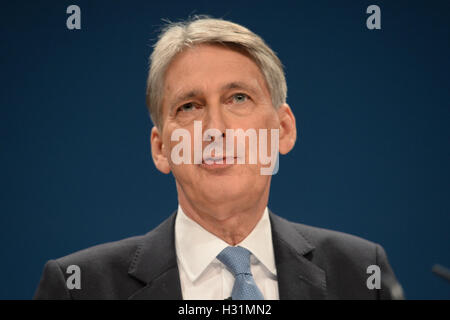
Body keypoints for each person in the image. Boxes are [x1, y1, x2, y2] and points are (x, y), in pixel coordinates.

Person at [34, 17, 403, 300]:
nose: (214, 129)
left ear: (283, 129)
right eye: (189, 106)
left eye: (238, 98)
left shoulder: (360, 273)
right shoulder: (78, 287)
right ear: (161, 148)